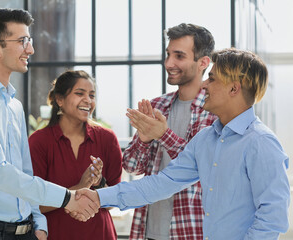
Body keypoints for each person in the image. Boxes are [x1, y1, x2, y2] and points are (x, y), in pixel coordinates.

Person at [77, 48, 291, 240]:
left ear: (234, 89)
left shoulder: (261, 143)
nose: (205, 84)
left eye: (213, 79)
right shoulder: (206, 139)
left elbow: (272, 218)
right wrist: (100, 196)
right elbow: (162, 183)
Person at [0, 8, 97, 240]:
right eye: (22, 41)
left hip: (26, 231)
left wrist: (39, 222)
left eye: (30, 40)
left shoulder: (14, 105)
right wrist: (67, 198)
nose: (31, 49)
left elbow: (25, 173)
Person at [122, 23, 217, 240]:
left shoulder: (215, 112)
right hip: (149, 231)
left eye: (179, 56)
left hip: (193, 232)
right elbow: (131, 166)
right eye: (168, 54)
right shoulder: (158, 106)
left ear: (203, 62)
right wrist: (144, 140)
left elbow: (201, 167)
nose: (168, 63)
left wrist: (163, 134)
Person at [28, 70, 122, 240]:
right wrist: (79, 186)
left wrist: (99, 182)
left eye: (92, 95)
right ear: (59, 99)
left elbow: (114, 202)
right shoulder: (39, 142)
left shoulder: (107, 139)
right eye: (80, 93)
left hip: (100, 235)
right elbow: (33, 204)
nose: (88, 100)